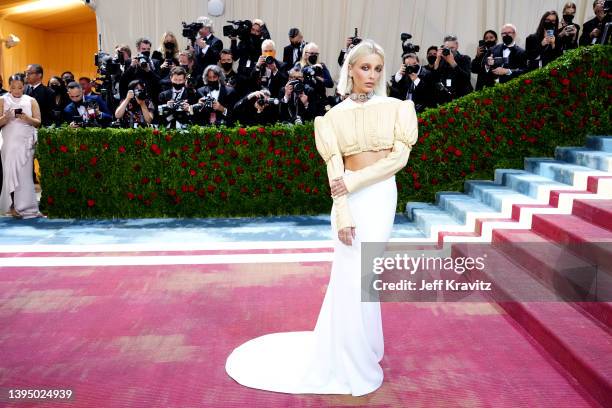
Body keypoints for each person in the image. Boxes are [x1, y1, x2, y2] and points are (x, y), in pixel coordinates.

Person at [225, 39, 418, 396]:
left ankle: (365, 347)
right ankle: (345, 355)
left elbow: (398, 159)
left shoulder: (397, 108)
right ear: (350, 70)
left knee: (366, 274)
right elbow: (334, 169)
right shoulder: (332, 118)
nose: (372, 75)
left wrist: (353, 181)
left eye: (377, 68)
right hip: (349, 199)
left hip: (380, 196)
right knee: (348, 273)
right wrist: (343, 209)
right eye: (365, 68)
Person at [0, 74, 43, 219]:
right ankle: (13, 206)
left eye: (19, 87)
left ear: (24, 86)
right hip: (10, 141)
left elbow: (38, 122)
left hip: (26, 142)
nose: (16, 90)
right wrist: (6, 118)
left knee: (25, 175)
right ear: (9, 86)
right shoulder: (3, 99)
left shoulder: (31, 100)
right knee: (10, 173)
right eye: (13, 87)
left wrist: (26, 118)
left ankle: (28, 207)